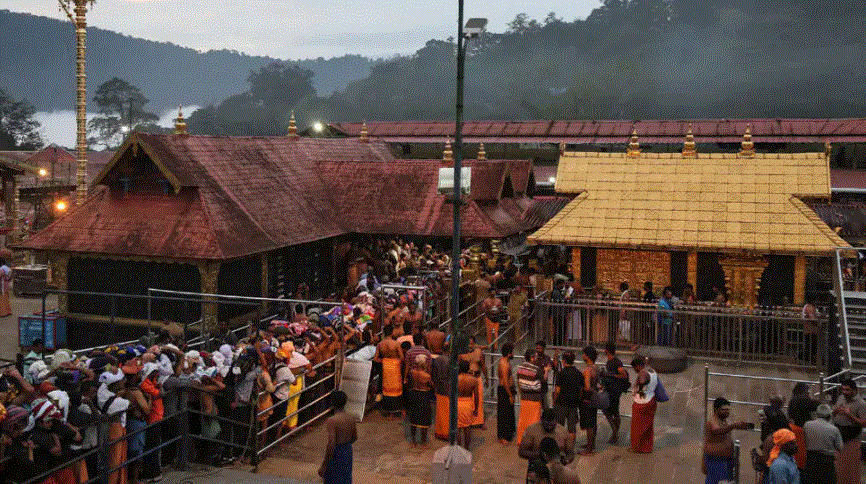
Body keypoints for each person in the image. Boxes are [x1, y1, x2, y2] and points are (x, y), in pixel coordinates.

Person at [704, 397, 751, 484]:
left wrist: (741, 425)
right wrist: (733, 426)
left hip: (727, 461)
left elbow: (727, 428)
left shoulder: (723, 420)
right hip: (716, 461)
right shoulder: (712, 421)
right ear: (716, 409)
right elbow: (717, 430)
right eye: (724, 410)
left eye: (728, 410)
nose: (727, 412)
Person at [519, 409, 573, 484]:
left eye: (552, 424)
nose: (549, 427)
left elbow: (570, 453)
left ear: (556, 421)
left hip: (557, 468)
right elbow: (521, 452)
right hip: (536, 467)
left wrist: (566, 460)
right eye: (546, 423)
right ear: (541, 419)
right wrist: (542, 455)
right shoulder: (531, 430)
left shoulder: (563, 432)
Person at [831, 378, 866, 484]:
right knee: (839, 464)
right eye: (843, 389)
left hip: (851, 436)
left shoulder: (861, 404)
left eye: (847, 390)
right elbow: (833, 412)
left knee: (850, 465)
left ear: (854, 390)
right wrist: (835, 411)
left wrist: (849, 415)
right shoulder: (841, 397)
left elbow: (863, 423)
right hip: (838, 431)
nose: (844, 392)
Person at [318, 390, 357, 484]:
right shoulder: (350, 417)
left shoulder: (332, 420)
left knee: (333, 479)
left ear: (332, 403)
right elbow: (355, 437)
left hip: (336, 452)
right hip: (347, 450)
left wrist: (324, 464)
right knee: (345, 478)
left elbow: (331, 444)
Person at [802, 403, 842, 484]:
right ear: (829, 415)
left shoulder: (807, 425)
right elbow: (840, 447)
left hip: (811, 459)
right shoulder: (834, 429)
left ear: (816, 414)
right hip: (827, 462)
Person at [601, 342, 629, 444]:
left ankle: (615, 432)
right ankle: (615, 432)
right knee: (612, 410)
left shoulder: (615, 362)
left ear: (607, 351)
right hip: (611, 389)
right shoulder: (611, 361)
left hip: (614, 391)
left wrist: (611, 375)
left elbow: (624, 375)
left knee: (611, 411)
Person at [553, 351, 581, 448]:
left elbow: (557, 391)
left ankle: (559, 446)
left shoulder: (561, 373)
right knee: (572, 428)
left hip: (561, 403)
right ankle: (570, 446)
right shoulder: (578, 373)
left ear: (564, 361)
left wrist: (554, 401)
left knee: (559, 426)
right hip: (573, 404)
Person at [375, 325, 403, 417]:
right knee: (395, 389)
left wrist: (384, 361)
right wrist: (395, 361)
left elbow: (375, 359)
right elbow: (402, 357)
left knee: (386, 388)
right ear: (392, 332)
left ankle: (387, 409)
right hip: (395, 367)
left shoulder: (380, 344)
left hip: (385, 367)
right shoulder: (396, 344)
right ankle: (395, 410)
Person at [516, 349, 544, 445]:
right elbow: (543, 379)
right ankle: (533, 442)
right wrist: (547, 371)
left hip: (524, 397)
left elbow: (518, 381)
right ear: (532, 358)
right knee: (535, 421)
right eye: (536, 357)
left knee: (523, 420)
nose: (537, 359)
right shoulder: (537, 369)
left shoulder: (519, 368)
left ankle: (520, 440)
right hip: (535, 398)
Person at [630, 356, 657, 453]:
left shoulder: (642, 373)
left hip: (642, 403)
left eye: (634, 368)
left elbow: (642, 381)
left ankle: (637, 448)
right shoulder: (652, 371)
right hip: (651, 400)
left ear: (637, 366)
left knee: (637, 428)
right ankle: (647, 447)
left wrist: (640, 389)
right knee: (647, 428)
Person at [406, 354, 432, 447]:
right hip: (423, 395)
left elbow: (409, 382)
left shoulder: (411, 372)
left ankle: (413, 441)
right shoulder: (426, 376)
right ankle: (423, 442)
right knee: (424, 420)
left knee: (413, 418)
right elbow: (430, 386)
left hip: (414, 394)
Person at [579, 346, 600, 455]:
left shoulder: (587, 370)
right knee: (593, 422)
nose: (582, 356)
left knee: (589, 424)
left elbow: (587, 387)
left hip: (587, 399)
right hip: (594, 397)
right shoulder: (596, 367)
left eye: (584, 354)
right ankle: (591, 444)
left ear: (587, 356)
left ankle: (589, 449)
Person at [456, 359, 480, 449]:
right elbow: (477, 396)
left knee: (457, 428)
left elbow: (451, 393)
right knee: (467, 428)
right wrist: (476, 409)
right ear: (468, 369)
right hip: (468, 404)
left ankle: (458, 448)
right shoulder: (473, 380)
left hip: (457, 403)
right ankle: (466, 448)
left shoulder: (456, 379)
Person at [498, 342, 516, 444]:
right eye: (512, 352)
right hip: (505, 390)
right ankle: (503, 437)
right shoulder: (504, 364)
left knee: (509, 413)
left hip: (508, 390)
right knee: (504, 414)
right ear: (509, 353)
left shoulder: (506, 361)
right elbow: (505, 381)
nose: (513, 354)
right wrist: (510, 395)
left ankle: (508, 434)